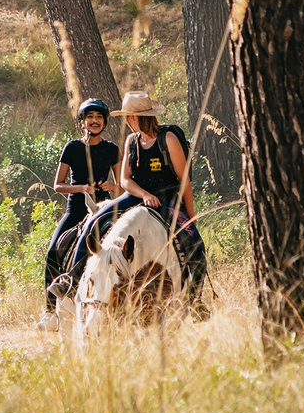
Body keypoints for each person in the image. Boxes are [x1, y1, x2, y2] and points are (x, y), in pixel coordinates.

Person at [49, 91, 206, 306]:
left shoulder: (167, 139)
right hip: (135, 195)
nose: (127, 121)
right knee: (95, 221)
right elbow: (125, 179)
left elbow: (184, 180)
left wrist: (190, 215)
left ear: (136, 117)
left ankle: (194, 299)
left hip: (167, 199)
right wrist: (144, 195)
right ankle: (73, 280)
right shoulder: (132, 140)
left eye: (128, 117)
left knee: (195, 244)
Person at [37, 97, 121, 331]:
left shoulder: (112, 149)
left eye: (99, 118)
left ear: (104, 122)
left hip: (104, 209)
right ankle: (50, 310)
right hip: (76, 208)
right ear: (82, 122)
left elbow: (122, 185)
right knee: (53, 251)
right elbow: (58, 185)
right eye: (90, 117)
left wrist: (111, 188)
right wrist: (82, 188)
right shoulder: (72, 148)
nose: (94, 121)